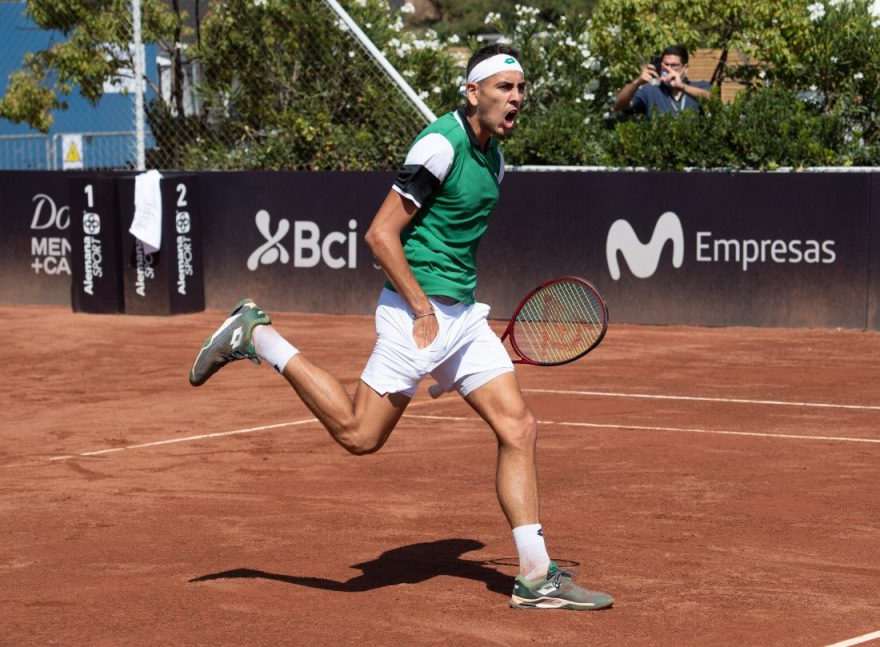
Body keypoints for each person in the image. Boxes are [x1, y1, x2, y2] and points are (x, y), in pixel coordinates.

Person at [188, 43, 613, 612]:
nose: (515, 98)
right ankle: (258, 335)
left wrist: (452, 345)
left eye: (520, 89)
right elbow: (380, 234)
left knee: (519, 427)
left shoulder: (496, 160)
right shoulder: (440, 145)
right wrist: (423, 312)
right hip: (417, 314)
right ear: (473, 93)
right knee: (359, 436)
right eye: (503, 87)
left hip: (461, 317)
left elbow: (454, 243)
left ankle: (535, 576)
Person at [614, 44, 712, 117]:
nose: (669, 69)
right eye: (665, 65)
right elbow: (619, 105)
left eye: (674, 65)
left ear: (685, 68)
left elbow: (712, 100)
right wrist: (637, 82)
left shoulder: (699, 86)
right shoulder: (650, 91)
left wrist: (681, 86)